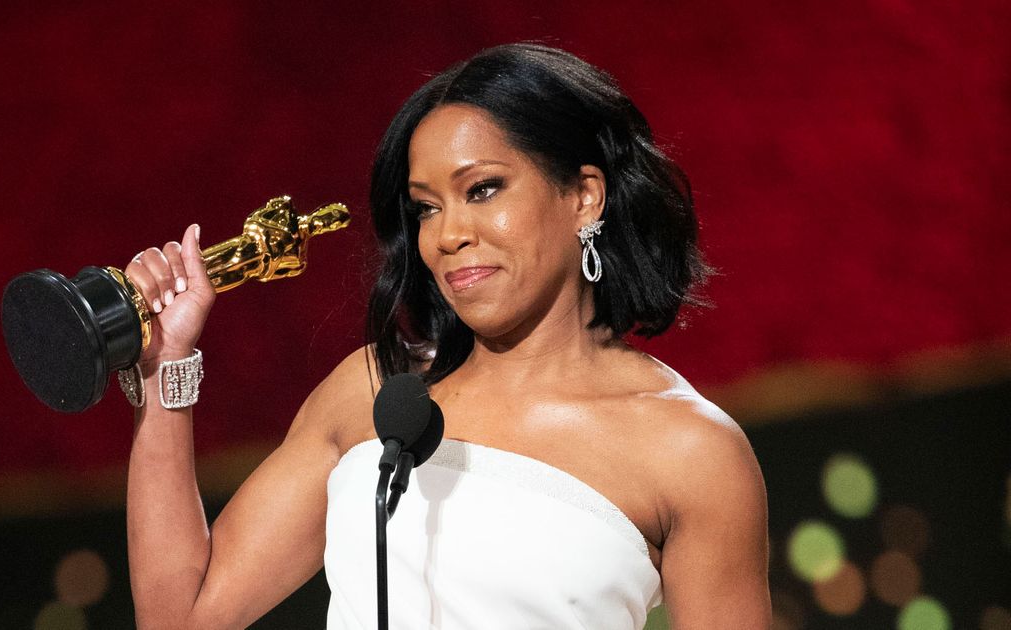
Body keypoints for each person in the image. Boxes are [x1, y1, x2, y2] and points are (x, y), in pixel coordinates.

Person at [121, 43, 770, 629]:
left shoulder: (692, 453)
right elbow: (183, 616)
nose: (447, 234)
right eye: (427, 206)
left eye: (482, 189)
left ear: (584, 197)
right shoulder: (378, 392)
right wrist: (163, 368)